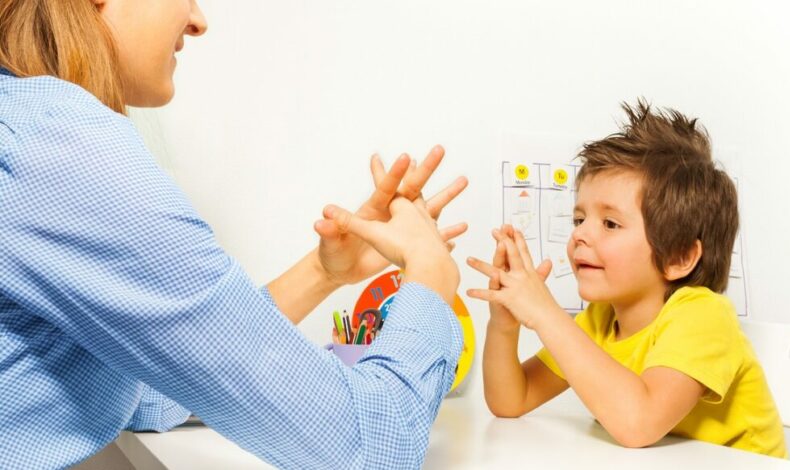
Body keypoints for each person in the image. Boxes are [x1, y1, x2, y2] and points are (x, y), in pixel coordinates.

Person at [0, 1, 469, 468]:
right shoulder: (64, 149)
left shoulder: (26, 130)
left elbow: (148, 393)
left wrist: (322, 273)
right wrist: (430, 275)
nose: (198, 20)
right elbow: (368, 444)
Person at [467, 101, 787, 457]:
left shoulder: (704, 317)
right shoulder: (600, 321)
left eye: (610, 223)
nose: (579, 236)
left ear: (679, 257)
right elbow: (512, 400)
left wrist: (546, 314)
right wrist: (504, 325)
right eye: (578, 219)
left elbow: (639, 423)